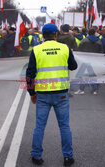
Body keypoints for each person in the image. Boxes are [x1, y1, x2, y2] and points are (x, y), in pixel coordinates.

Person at [26, 23, 77, 166]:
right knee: (64, 126)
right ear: (56, 35)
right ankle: (68, 157)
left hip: (42, 94)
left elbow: (29, 74)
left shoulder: (36, 50)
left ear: (42, 35)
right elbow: (73, 66)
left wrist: (31, 93)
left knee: (39, 126)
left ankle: (36, 156)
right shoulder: (64, 48)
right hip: (61, 94)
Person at [74, 28, 103, 95]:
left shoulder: (84, 40)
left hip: (84, 60)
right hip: (95, 60)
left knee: (83, 75)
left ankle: (81, 89)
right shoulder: (99, 41)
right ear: (94, 33)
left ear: (88, 33)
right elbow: (101, 51)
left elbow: (79, 49)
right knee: (94, 75)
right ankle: (95, 90)